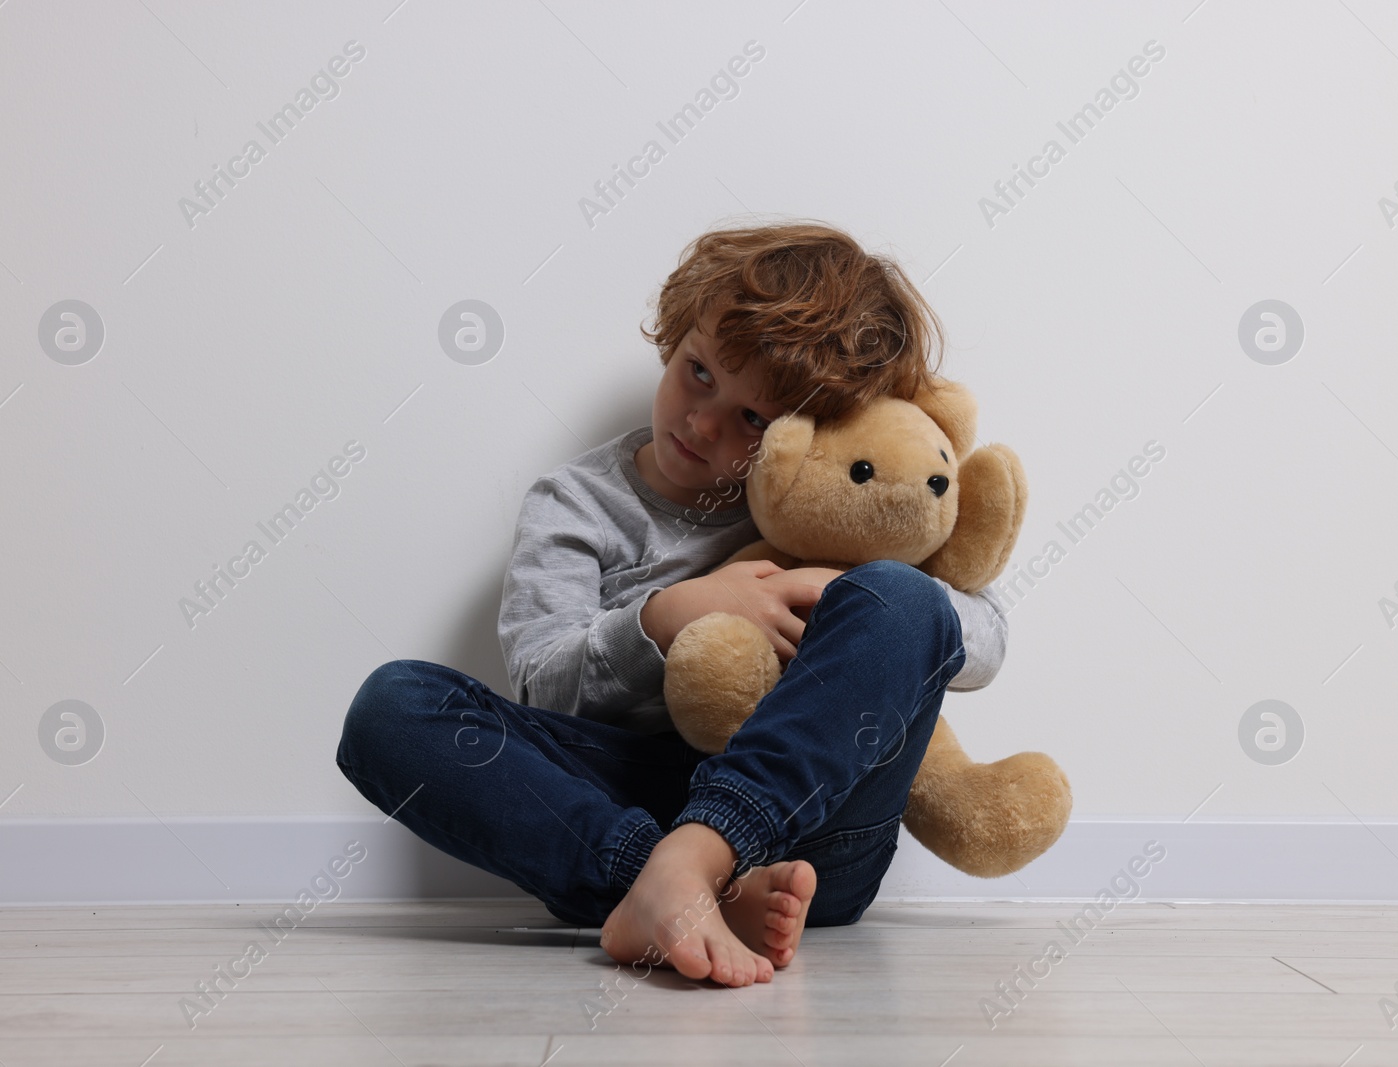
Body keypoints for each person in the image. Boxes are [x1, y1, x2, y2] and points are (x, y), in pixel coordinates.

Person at [336, 220, 1009, 989]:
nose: (702, 421)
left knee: (907, 597)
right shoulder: (576, 504)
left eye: (754, 419)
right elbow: (542, 686)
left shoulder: (828, 498)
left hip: (812, 835)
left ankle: (694, 863)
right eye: (698, 372)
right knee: (391, 706)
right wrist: (671, 612)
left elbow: (983, 638)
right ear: (676, 337)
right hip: (625, 806)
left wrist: (846, 591)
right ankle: (669, 883)